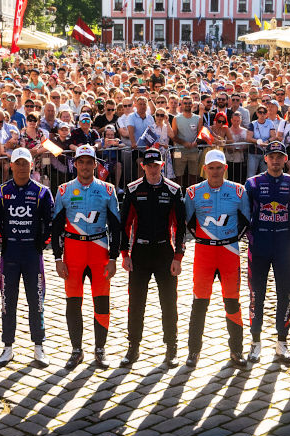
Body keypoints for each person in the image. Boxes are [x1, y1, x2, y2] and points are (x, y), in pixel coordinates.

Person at [51, 145, 121, 369]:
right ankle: (76, 350)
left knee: (101, 300)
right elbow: (55, 227)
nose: (84, 166)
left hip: (99, 251)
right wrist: (58, 258)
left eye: (88, 162)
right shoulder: (64, 190)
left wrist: (113, 258)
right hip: (74, 252)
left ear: (95, 164)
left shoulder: (107, 190)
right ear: (75, 164)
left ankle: (100, 349)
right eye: (80, 162)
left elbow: (116, 226)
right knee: (73, 302)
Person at [119, 148, 187, 368]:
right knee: (136, 302)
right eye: (149, 166)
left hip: (164, 252)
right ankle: (133, 346)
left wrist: (178, 257)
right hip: (140, 253)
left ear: (162, 165)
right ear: (143, 167)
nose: (153, 169)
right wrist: (124, 254)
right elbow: (124, 225)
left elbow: (181, 227)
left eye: (156, 165)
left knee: (169, 302)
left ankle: (171, 347)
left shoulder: (174, 190)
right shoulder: (133, 189)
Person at [185, 149, 251, 368]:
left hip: (229, 252)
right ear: (204, 169)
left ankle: (237, 350)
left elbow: (246, 220)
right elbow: (188, 222)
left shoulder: (238, 191)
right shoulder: (193, 192)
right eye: (211, 168)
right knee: (199, 302)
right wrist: (206, 239)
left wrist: (229, 239)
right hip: (204, 253)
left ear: (225, 168)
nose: (215, 172)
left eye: (219, 168)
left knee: (232, 302)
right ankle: (193, 351)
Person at [0, 148, 54, 368]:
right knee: (8, 302)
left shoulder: (42, 192)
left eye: (25, 163)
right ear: (11, 166)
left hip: (32, 255)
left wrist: (42, 244)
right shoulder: (0, 192)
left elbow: (50, 223)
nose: (21, 167)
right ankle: (7, 347)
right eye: (17, 163)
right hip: (10, 254)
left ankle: (39, 347)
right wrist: (4, 241)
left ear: (31, 165)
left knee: (36, 301)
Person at [244, 141, 290, 363]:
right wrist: (251, 236)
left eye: (280, 157)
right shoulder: (253, 183)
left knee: (286, 293)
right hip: (259, 246)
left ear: (285, 159)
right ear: (265, 159)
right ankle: (255, 342)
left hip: (284, 247)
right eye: (272, 157)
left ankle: (282, 342)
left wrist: (289, 234)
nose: (276, 161)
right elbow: (245, 214)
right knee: (256, 295)